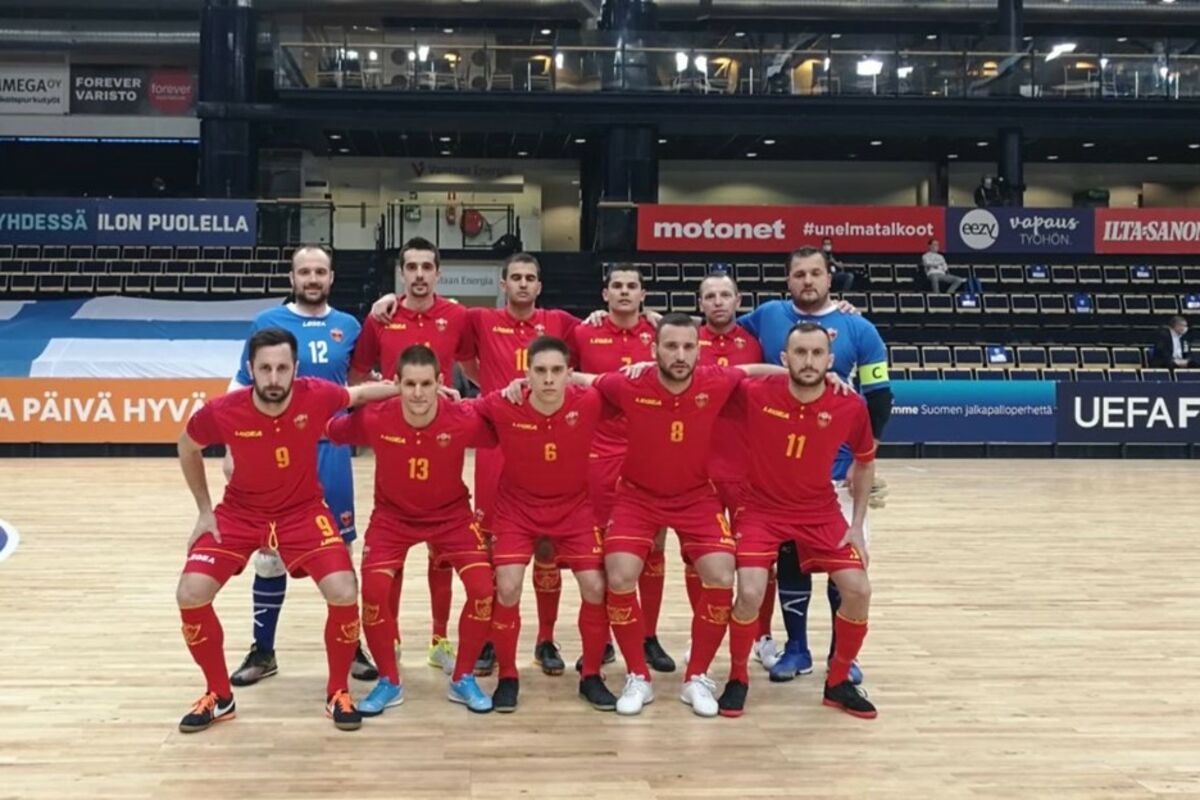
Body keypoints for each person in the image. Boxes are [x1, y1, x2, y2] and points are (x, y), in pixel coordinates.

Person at [175, 327, 400, 733]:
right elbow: (186, 445)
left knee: (344, 589)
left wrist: (409, 389)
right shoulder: (223, 410)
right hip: (240, 513)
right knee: (190, 593)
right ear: (250, 370)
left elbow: (359, 394)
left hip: (303, 512)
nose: (274, 378)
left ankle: (337, 691)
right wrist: (204, 511)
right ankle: (220, 696)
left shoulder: (316, 394)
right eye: (265, 368)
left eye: (282, 368)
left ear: (296, 369)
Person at [371, 253, 578, 677]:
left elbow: (602, 328)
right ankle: (485, 638)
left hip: (546, 441)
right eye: (515, 277)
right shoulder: (479, 319)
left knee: (545, 545)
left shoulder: (559, 321)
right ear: (503, 284)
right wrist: (387, 301)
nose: (523, 284)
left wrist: (648, 316)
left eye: (530, 278)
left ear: (539, 285)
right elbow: (453, 347)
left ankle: (545, 639)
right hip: (497, 443)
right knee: (487, 546)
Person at [583, 314, 796, 717]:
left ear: (699, 351)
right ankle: (638, 676)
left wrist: (810, 376)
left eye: (687, 347)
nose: (680, 355)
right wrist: (522, 384)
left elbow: (753, 370)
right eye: (670, 346)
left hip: (696, 497)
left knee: (721, 575)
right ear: (654, 350)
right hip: (636, 497)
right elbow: (583, 380)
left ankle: (696, 676)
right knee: (620, 576)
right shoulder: (629, 383)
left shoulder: (716, 380)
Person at [737, 246, 892, 684]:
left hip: (838, 475)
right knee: (790, 563)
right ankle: (796, 648)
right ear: (788, 280)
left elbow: (880, 396)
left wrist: (865, 458)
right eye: (800, 274)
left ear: (830, 278)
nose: (808, 281)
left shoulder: (859, 327)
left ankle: (842, 656)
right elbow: (717, 328)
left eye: (816, 273)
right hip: (781, 478)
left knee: (847, 568)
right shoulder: (768, 315)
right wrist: (651, 318)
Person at [225, 245, 377, 688]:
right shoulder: (267, 322)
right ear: (292, 278)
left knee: (341, 551)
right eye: (304, 271)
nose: (312, 278)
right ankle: (263, 650)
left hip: (331, 452)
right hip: (277, 454)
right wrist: (233, 447)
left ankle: (351, 646)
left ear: (331, 278)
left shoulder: (349, 326)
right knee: (269, 555)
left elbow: (359, 383)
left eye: (320, 272)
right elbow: (240, 385)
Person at [326, 345, 499, 715]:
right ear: (396, 384)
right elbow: (331, 429)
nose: (418, 393)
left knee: (484, 590)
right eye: (409, 384)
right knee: (373, 592)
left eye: (425, 384)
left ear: (440, 382)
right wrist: (362, 396)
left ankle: (463, 677)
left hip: (452, 518)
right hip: (392, 519)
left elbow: (501, 430)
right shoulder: (375, 417)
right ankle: (389, 680)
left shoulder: (462, 418)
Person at [717, 322, 878, 720]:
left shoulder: (850, 405)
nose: (809, 361)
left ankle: (838, 682)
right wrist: (774, 371)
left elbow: (865, 462)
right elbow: (727, 374)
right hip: (760, 510)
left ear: (831, 359)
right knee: (750, 593)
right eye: (800, 353)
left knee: (858, 589)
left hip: (819, 511)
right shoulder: (756, 393)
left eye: (817, 353)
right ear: (784, 358)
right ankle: (737, 677)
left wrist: (856, 526)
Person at [350, 236, 472, 676]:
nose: (419, 274)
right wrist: (379, 400)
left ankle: (439, 640)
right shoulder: (381, 317)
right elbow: (357, 372)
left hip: (443, 437)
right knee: (393, 547)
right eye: (412, 267)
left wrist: (471, 399)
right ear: (401, 273)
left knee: (443, 549)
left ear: (438, 273)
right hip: (395, 439)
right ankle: (394, 638)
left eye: (427, 267)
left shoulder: (457, 315)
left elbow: (473, 363)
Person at [476, 336, 617, 712]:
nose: (549, 379)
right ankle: (508, 676)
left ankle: (591, 675)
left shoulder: (589, 401)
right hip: (516, 511)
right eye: (540, 371)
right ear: (527, 374)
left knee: (595, 585)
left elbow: (631, 388)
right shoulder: (503, 404)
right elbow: (457, 412)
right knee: (507, 587)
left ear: (570, 373)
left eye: (557, 371)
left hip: (574, 510)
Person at [571, 264, 672, 673]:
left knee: (654, 545)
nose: (625, 292)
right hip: (598, 451)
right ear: (605, 294)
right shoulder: (584, 332)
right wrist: (611, 380)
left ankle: (648, 635)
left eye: (632, 286)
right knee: (600, 549)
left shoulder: (660, 332)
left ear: (643, 294)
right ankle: (603, 639)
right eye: (617, 286)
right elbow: (565, 374)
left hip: (650, 451)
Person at [693, 272, 777, 669]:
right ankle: (702, 633)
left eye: (725, 294)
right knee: (701, 560)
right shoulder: (688, 342)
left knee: (758, 559)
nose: (718, 301)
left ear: (738, 300)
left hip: (749, 469)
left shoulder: (755, 343)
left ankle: (762, 635)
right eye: (710, 296)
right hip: (700, 470)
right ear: (700, 303)